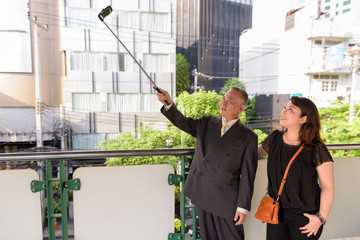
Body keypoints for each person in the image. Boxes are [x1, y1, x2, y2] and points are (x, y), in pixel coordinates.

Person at [156, 86, 258, 240]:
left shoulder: (248, 137)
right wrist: (169, 103)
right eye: (223, 98)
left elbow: (248, 175)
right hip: (202, 193)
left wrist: (242, 207)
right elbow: (184, 122)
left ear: (241, 108)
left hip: (226, 200)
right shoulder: (206, 122)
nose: (223, 103)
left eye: (229, 101)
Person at [258, 96, 335, 240]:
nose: (284, 112)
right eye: (285, 108)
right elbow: (252, 154)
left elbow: (327, 186)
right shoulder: (274, 139)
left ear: (303, 119)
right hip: (276, 212)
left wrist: (321, 218)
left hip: (305, 217)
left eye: (291, 109)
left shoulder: (316, 148)